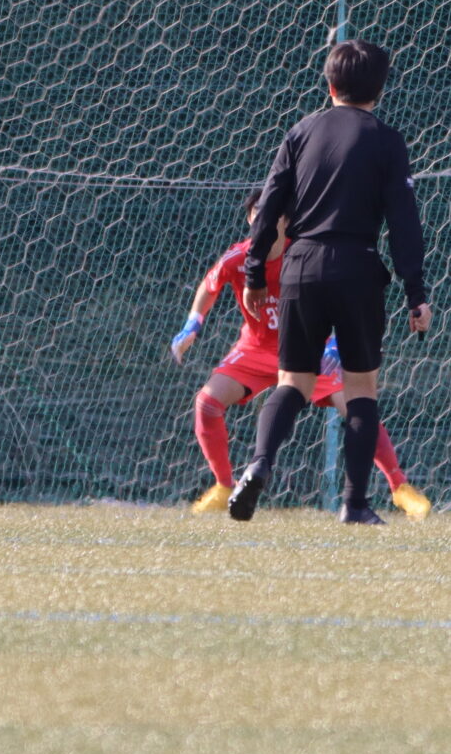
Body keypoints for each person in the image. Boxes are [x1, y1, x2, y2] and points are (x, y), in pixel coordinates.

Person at [231, 39, 431, 525]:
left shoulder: (301, 131)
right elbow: (403, 221)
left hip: (300, 266)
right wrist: (416, 293)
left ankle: (259, 463)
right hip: (358, 266)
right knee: (360, 388)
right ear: (380, 89)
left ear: (330, 85)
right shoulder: (387, 140)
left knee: (293, 382)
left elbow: (270, 206)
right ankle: (355, 503)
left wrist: (255, 272)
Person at [172, 194, 429, 517]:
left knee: (357, 407)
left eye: (270, 213)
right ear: (249, 219)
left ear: (286, 221)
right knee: (207, 403)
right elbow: (209, 287)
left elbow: (338, 297)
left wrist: (335, 343)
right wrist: (192, 325)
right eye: (256, 213)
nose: (261, 220)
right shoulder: (238, 257)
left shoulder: (303, 255)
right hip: (256, 349)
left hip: (307, 347)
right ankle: (224, 487)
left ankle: (400, 488)